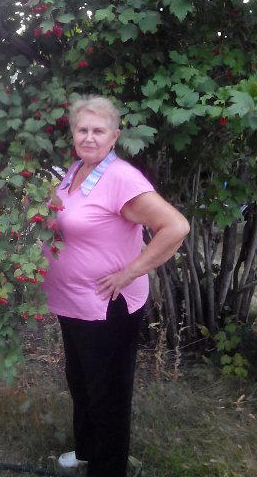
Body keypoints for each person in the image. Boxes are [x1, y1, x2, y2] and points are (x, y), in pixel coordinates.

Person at [43, 95, 190, 477]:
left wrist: (130, 272)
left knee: (107, 392)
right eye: (82, 130)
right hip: (73, 303)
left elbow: (175, 226)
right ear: (73, 133)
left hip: (107, 306)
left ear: (114, 136)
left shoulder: (121, 178)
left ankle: (108, 469)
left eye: (98, 130)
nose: (89, 137)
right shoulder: (75, 170)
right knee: (81, 382)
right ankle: (86, 451)